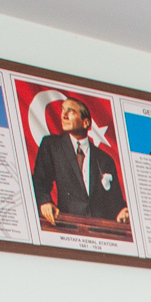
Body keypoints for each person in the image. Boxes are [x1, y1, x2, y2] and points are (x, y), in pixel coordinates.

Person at [31, 97, 128, 229]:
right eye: (62, 110)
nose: (64, 115)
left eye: (70, 111)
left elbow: (115, 200)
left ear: (86, 122)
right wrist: (45, 202)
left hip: (101, 231)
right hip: (67, 227)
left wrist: (121, 211)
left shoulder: (105, 159)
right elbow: (40, 180)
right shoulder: (52, 145)